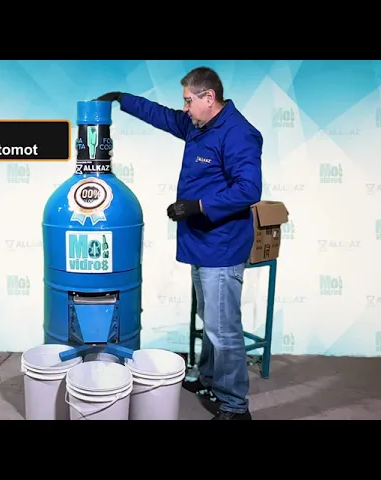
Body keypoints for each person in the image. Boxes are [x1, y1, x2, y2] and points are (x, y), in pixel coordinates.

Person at [96, 66, 262, 420]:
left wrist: (198, 206)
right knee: (210, 318)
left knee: (223, 328)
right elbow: (163, 116)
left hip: (222, 246)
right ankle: (210, 378)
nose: (185, 108)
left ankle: (235, 405)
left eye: (189, 101)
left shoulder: (239, 134)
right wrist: (123, 100)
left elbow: (249, 189)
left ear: (209, 97)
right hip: (202, 242)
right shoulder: (198, 124)